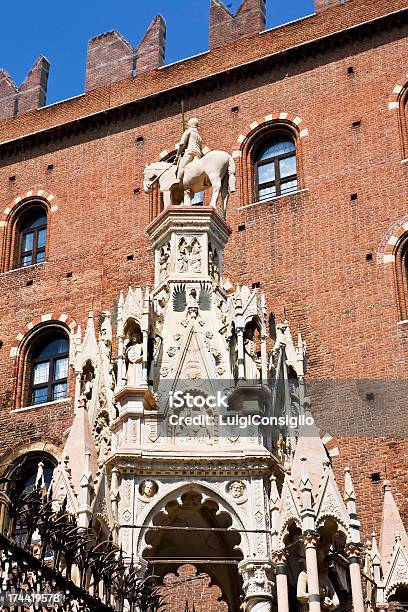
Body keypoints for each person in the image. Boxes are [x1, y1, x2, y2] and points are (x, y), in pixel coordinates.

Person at [176, 117, 203, 184]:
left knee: (181, 166)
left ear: (190, 125)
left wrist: (177, 156)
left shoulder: (188, 131)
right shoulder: (199, 137)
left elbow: (181, 144)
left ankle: (178, 180)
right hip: (198, 154)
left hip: (190, 152)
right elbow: (201, 149)